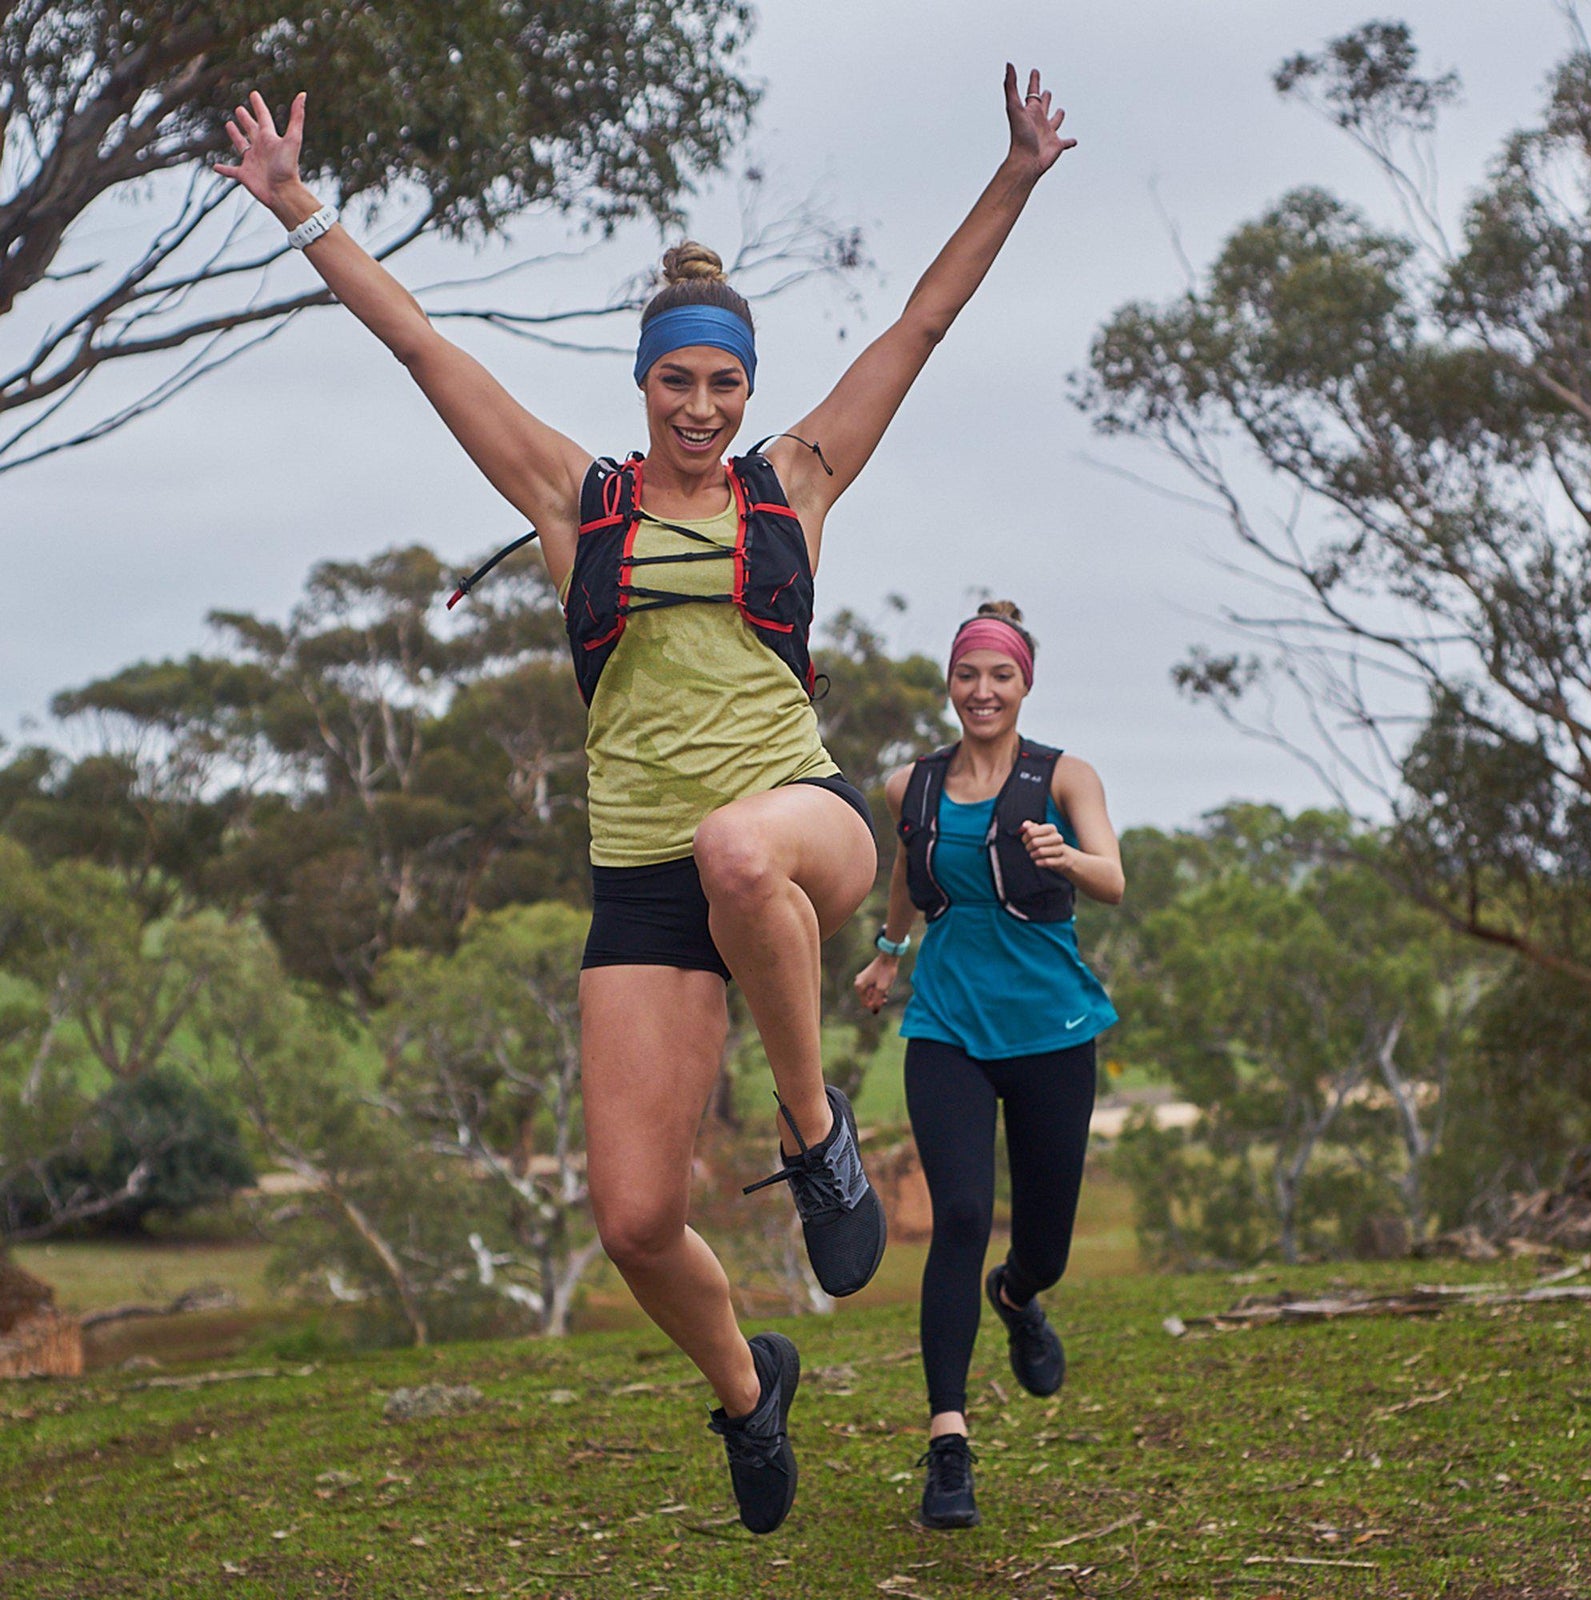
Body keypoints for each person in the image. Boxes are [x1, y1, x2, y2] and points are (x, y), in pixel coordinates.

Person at [217, 71, 1075, 1536]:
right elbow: (425, 351)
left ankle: (815, 1137)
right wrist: (303, 208)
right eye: (677, 382)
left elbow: (920, 327)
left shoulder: (792, 484)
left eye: (723, 383)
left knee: (739, 842)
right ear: (644, 383)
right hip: (644, 889)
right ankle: (753, 1389)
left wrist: (1016, 176)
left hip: (803, 828)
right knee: (632, 1218)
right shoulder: (576, 500)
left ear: (748, 388)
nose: (700, 407)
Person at [855, 601, 1123, 1530]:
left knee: (1040, 1242)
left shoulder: (1066, 777)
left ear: (1024, 684)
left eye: (999, 675)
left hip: (1053, 1028)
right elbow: (907, 866)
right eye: (969, 674)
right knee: (961, 1213)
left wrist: (1068, 855)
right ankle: (948, 1446)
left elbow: (1115, 878)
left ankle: (1018, 1295)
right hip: (949, 1028)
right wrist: (888, 949)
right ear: (951, 682)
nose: (982, 690)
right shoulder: (910, 786)